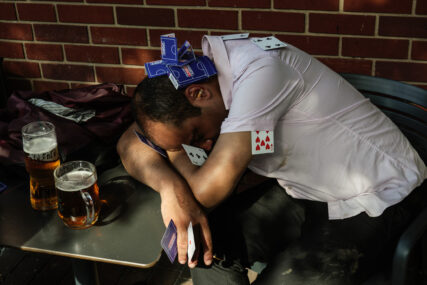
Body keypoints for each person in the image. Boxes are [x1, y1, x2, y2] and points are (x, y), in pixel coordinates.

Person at [117, 35, 427, 284]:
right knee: (207, 243)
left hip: (378, 194)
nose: (204, 145)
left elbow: (206, 192)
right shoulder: (201, 84)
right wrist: (171, 189)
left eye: (196, 135)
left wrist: (171, 154)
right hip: (306, 187)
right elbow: (128, 143)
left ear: (198, 94)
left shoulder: (261, 72)